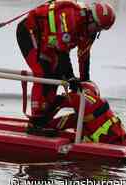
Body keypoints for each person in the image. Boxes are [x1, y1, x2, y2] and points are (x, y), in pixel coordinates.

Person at [16, 0, 116, 130]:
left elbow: (84, 56)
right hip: (30, 32)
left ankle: (45, 117)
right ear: (90, 17)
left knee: (57, 75)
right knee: (43, 73)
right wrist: (70, 77)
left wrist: (85, 81)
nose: (95, 31)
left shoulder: (90, 31)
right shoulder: (71, 16)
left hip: (49, 41)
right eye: (96, 27)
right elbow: (62, 51)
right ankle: (36, 120)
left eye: (100, 29)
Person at [45, 81, 126, 145]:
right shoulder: (79, 118)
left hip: (116, 146)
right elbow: (59, 122)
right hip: (120, 143)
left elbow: (66, 100)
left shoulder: (92, 103)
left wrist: (43, 118)